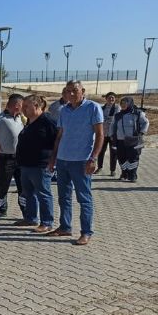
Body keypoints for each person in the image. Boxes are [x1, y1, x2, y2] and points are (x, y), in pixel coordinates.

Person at [47, 80, 103, 246]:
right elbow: (59, 136)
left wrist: (93, 158)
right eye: (68, 91)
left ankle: (86, 232)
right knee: (63, 197)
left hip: (82, 161)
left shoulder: (93, 108)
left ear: (82, 91)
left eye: (74, 91)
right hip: (63, 160)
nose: (71, 94)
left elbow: (100, 135)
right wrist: (53, 158)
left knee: (84, 198)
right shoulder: (64, 111)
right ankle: (65, 227)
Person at [16, 95, 57, 232]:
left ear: (37, 106)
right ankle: (31, 218)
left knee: (43, 194)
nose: (23, 109)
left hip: (41, 165)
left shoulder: (48, 120)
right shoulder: (29, 121)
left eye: (26, 106)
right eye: (23, 106)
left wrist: (53, 160)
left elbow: (58, 140)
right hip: (26, 164)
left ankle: (47, 222)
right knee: (29, 193)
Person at [0, 94, 26, 219]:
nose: (23, 107)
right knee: (3, 185)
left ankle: (25, 210)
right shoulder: (0, 118)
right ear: (17, 105)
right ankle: (1, 209)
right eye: (22, 105)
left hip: (20, 158)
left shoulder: (21, 118)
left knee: (22, 186)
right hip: (5, 158)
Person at [110, 96, 149, 183]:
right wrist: (112, 135)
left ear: (130, 103)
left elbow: (146, 122)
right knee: (121, 157)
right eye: (121, 103)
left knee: (133, 157)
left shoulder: (138, 113)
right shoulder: (118, 115)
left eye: (125, 103)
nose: (123, 105)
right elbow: (113, 126)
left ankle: (132, 175)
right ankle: (124, 173)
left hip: (133, 140)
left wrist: (141, 133)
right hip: (120, 140)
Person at [97, 92, 119, 176]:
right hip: (103, 133)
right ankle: (99, 167)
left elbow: (114, 119)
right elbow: (100, 119)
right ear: (106, 99)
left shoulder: (117, 108)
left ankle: (112, 170)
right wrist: (107, 120)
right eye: (109, 97)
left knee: (113, 152)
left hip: (113, 134)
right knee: (100, 151)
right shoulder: (102, 108)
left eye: (113, 97)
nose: (111, 99)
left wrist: (106, 120)